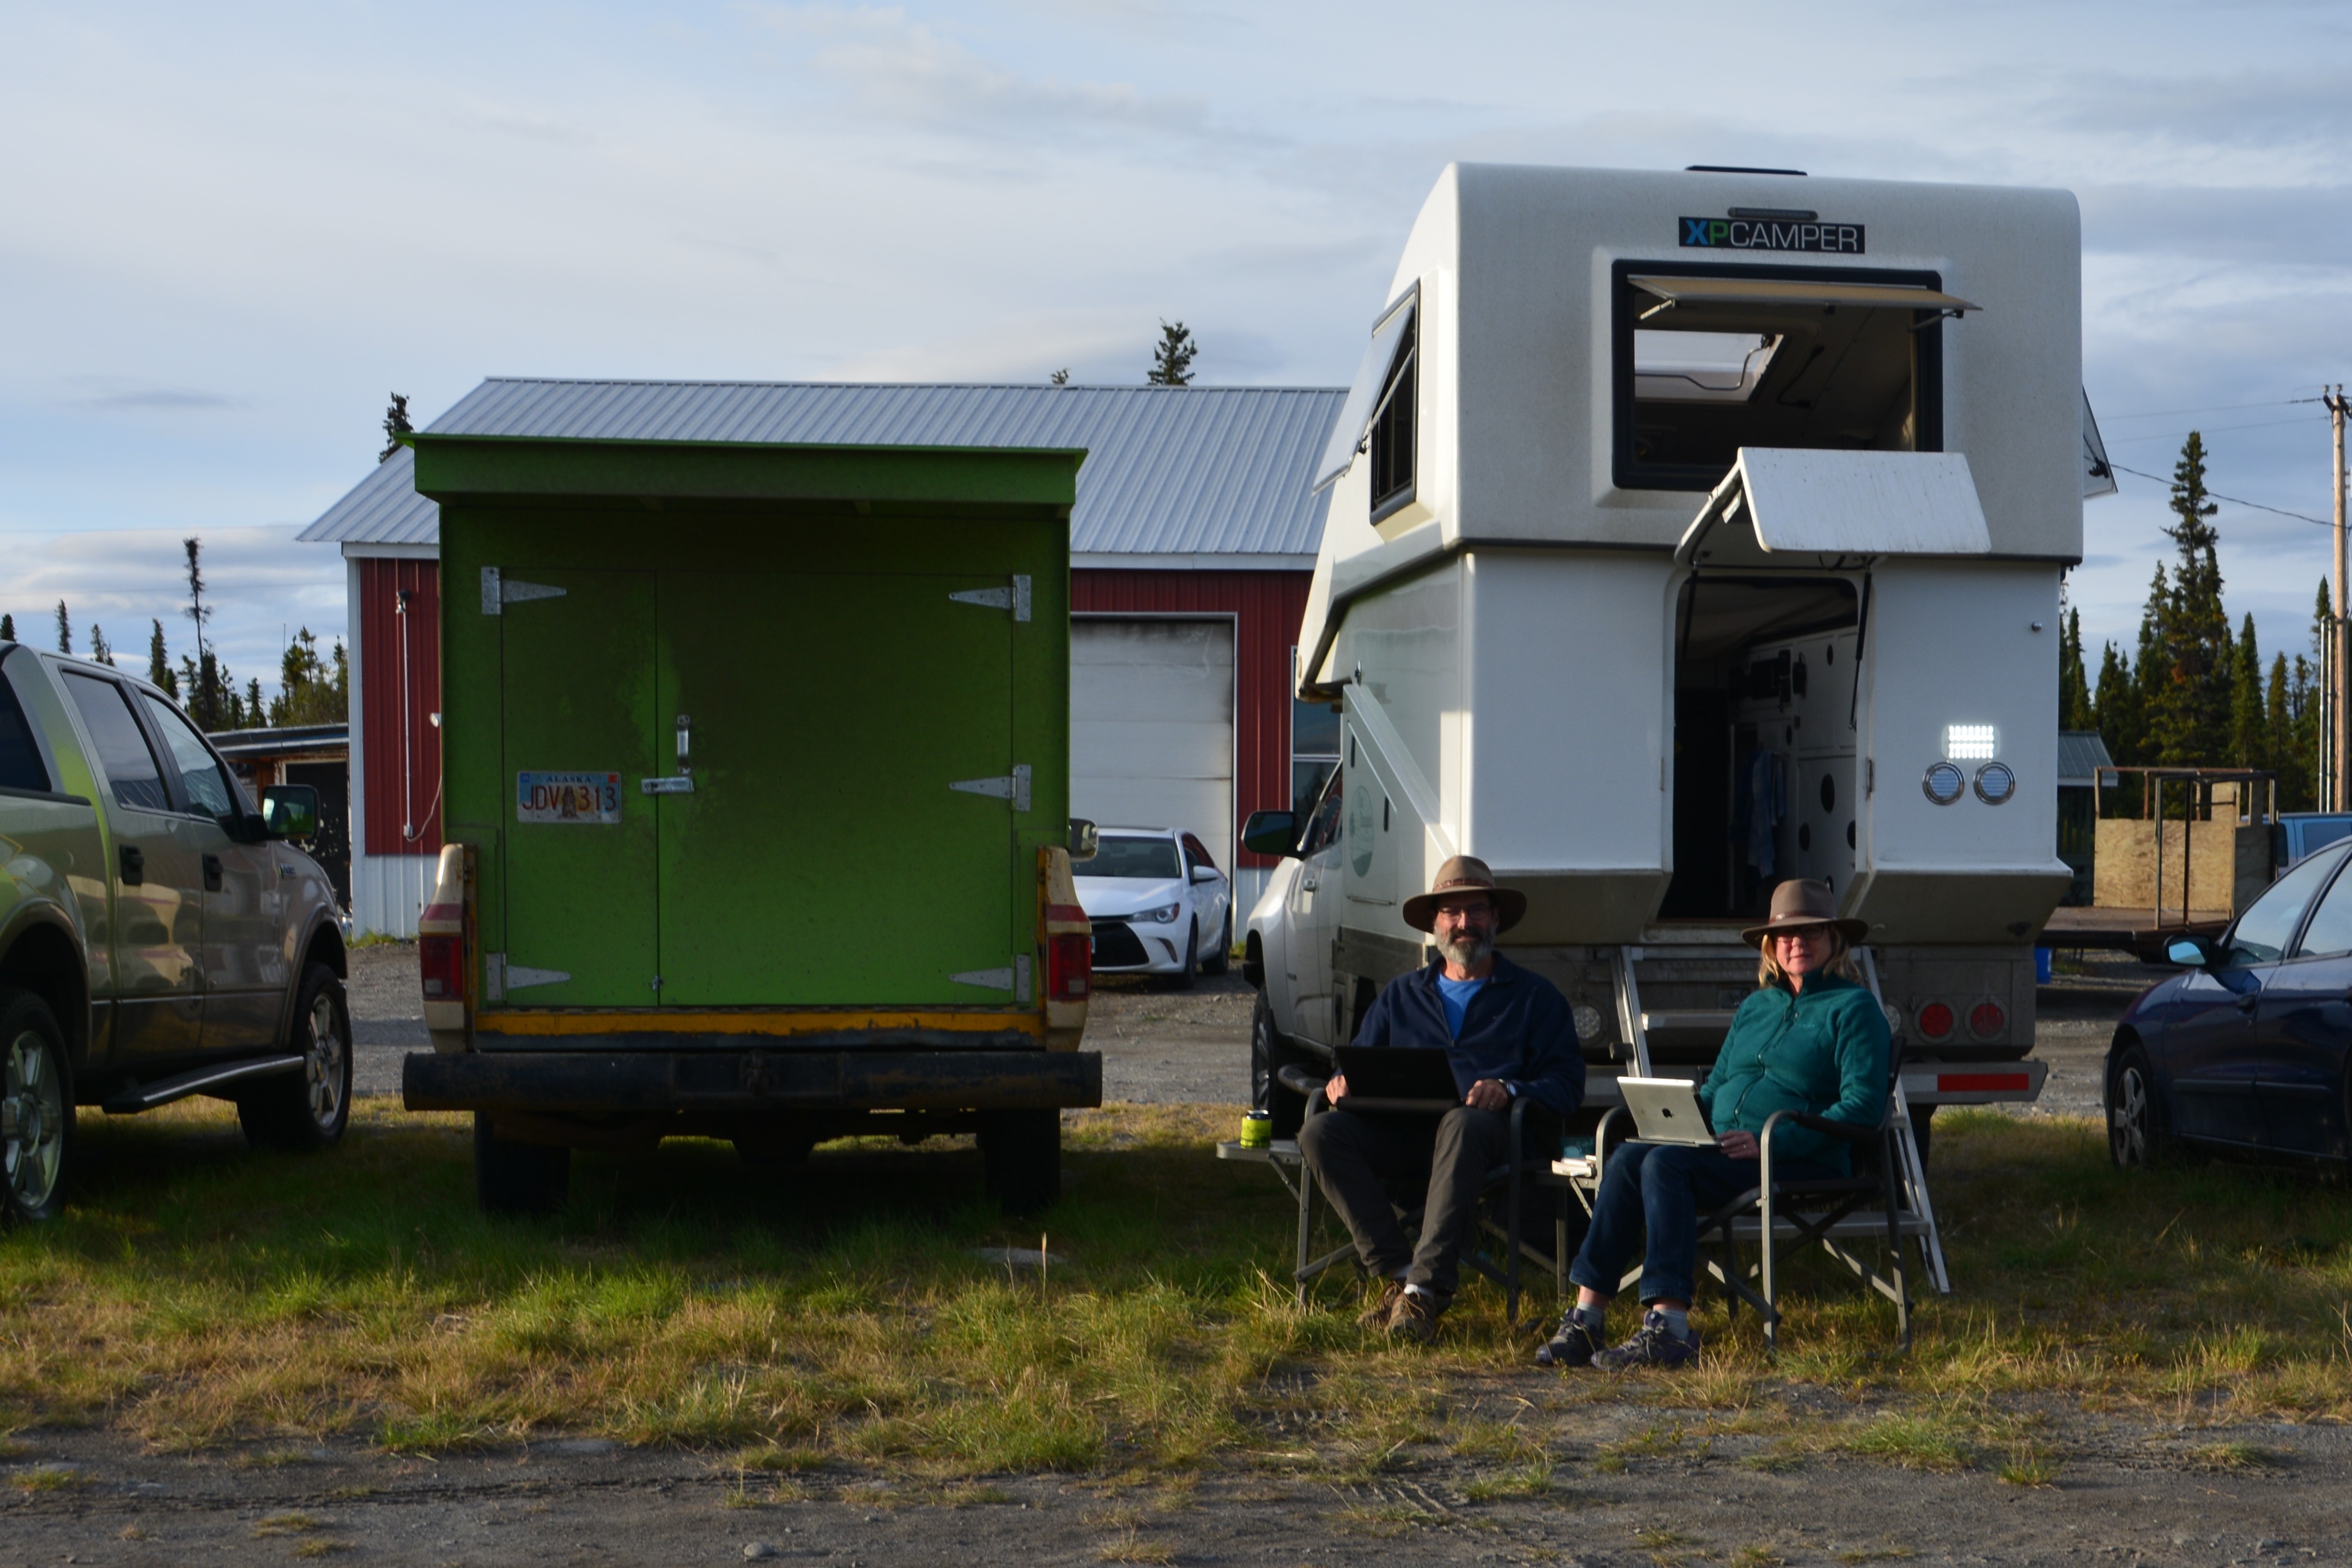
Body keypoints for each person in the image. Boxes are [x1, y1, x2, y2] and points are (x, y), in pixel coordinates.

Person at [1541, 878, 1890, 1371]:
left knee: (1665, 1166)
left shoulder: (1854, 1008)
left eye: (1811, 932)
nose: (1797, 942)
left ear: (1834, 939)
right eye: (1785, 934)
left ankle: (1669, 1329)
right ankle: (1586, 1319)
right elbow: (1717, 1087)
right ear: (1770, 946)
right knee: (1630, 1156)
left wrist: (1774, 1140)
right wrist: (1674, 1119)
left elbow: (1863, 1106)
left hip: (1799, 1157)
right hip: (1724, 1149)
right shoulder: (1756, 1007)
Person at [1298, 856, 1585, 1344]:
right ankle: (1400, 1276)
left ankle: (1424, 1292)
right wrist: (1341, 1082)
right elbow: (1358, 1062)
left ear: (1496, 919)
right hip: (1404, 1139)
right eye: (1452, 912)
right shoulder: (1401, 995)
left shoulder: (1535, 998)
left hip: (1491, 1141)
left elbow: (1568, 1085)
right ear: (1435, 924)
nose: (1464, 922)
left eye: (1476, 910)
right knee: (1319, 1131)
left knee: (1462, 1121)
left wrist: (1510, 1088)